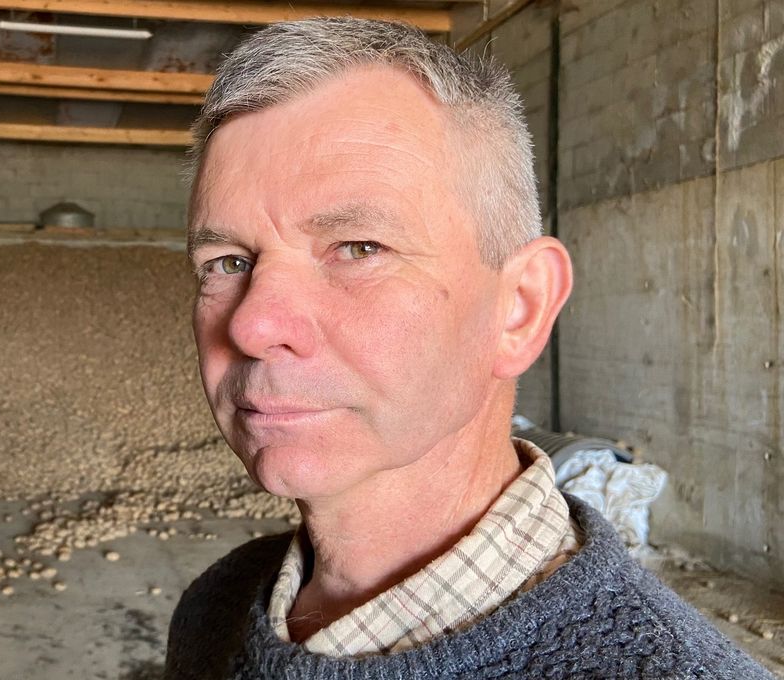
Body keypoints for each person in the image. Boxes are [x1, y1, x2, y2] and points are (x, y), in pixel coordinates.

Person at [165, 17, 772, 679]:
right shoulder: (214, 609)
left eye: (360, 248)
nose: (253, 326)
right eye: (226, 262)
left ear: (520, 308)